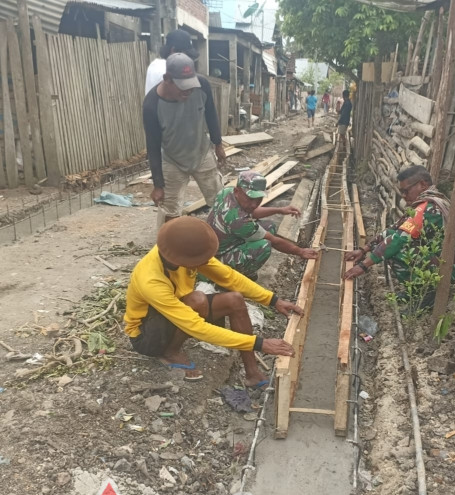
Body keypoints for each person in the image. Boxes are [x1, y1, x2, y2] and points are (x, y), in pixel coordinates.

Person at [124, 216, 303, 385]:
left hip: (174, 314)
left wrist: (273, 300)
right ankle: (170, 352)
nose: (205, 263)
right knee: (197, 300)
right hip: (146, 335)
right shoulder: (152, 279)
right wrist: (259, 343)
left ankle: (252, 373)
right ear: (183, 259)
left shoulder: (180, 252)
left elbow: (229, 278)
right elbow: (194, 325)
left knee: (234, 300)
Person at [343, 165, 455, 309]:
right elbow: (393, 230)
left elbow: (398, 239)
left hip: (446, 269)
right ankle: (416, 290)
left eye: (406, 191)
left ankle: (426, 296)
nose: (404, 196)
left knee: (396, 251)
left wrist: (363, 266)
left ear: (423, 184)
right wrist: (363, 250)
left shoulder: (430, 209)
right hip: (436, 260)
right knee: (391, 239)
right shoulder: (423, 205)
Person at [143, 53, 225, 223]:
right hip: (172, 160)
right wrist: (158, 185)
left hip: (201, 153)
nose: (188, 90)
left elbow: (211, 114)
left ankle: (225, 238)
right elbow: (153, 146)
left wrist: (218, 144)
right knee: (169, 209)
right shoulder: (152, 104)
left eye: (190, 84)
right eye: (182, 86)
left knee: (221, 201)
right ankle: (168, 246)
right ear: (167, 79)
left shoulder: (202, 86)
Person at [207, 171, 319, 280]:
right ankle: (242, 275)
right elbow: (274, 241)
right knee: (264, 246)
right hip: (217, 258)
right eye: (250, 198)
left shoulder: (227, 192)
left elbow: (252, 211)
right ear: (237, 191)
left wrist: (279, 210)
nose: (254, 204)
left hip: (220, 241)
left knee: (270, 227)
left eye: (259, 199)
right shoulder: (239, 221)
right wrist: (300, 251)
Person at [144, 30, 198, 96]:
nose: (187, 60)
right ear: (173, 50)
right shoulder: (168, 71)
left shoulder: (155, 64)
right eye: (186, 55)